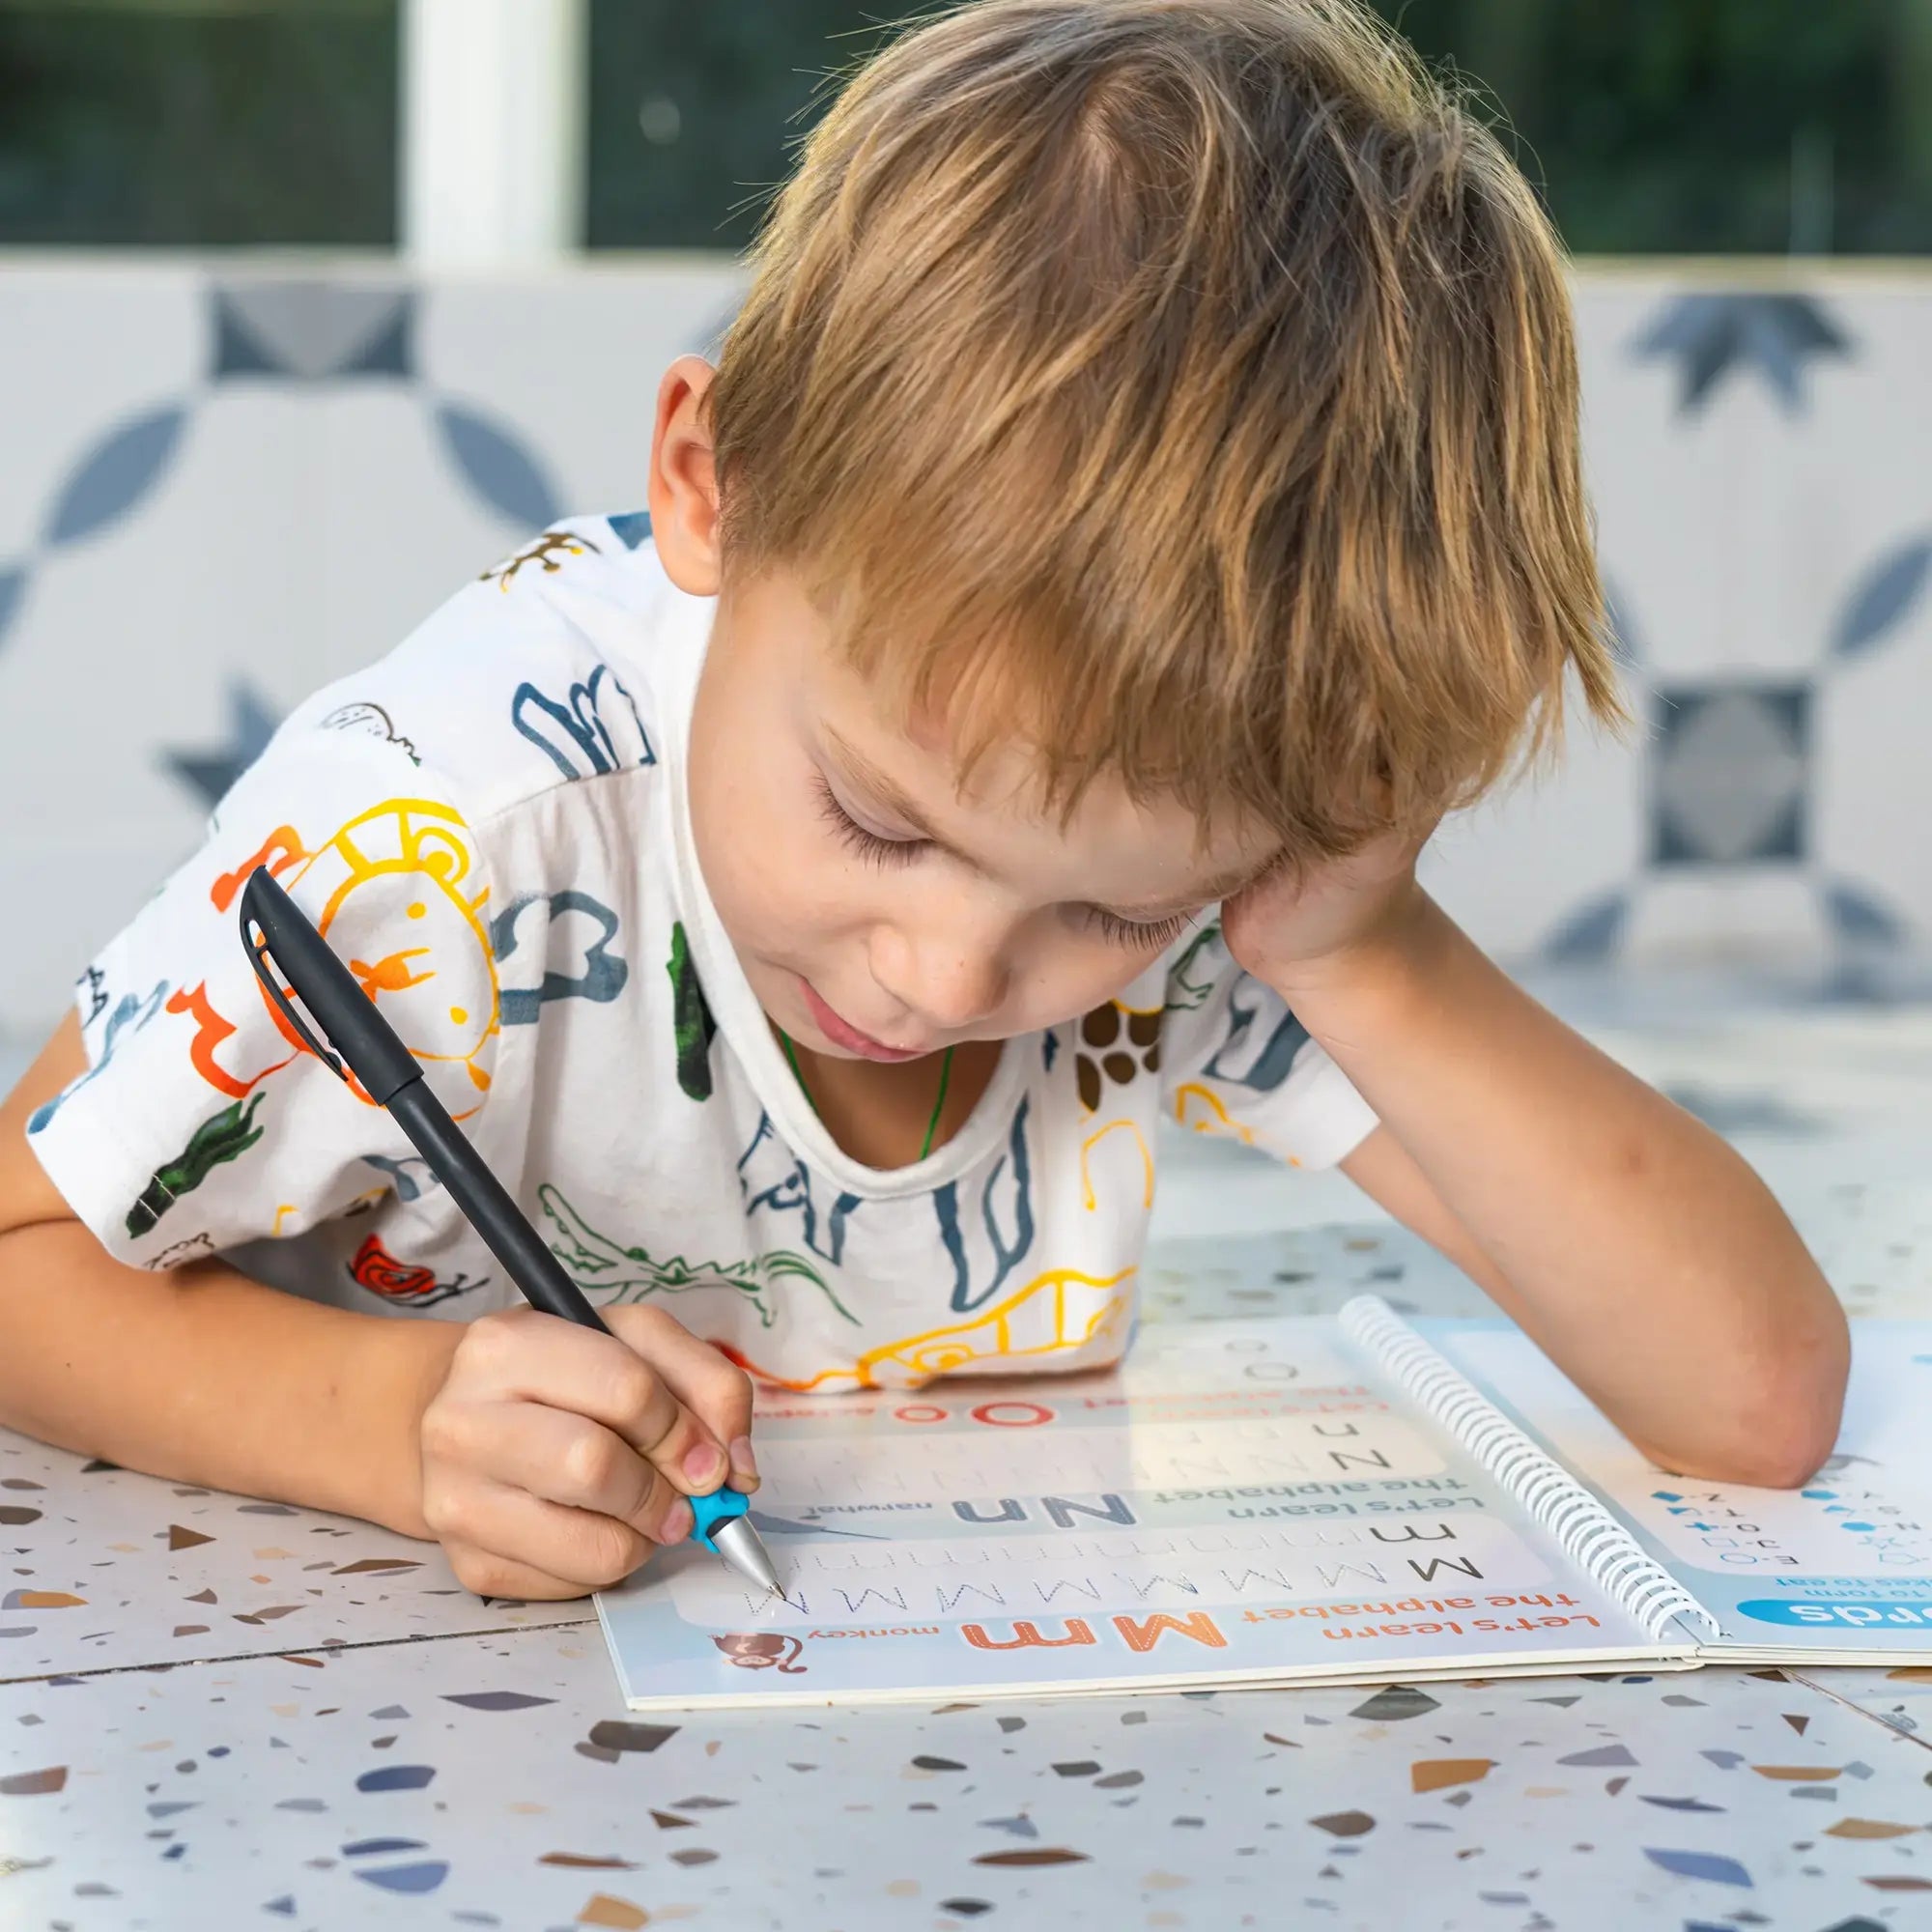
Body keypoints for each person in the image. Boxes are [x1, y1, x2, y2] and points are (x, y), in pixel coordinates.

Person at [0, 0, 1847, 1604]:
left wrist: (1362, 951)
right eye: (879, 824)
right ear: (709, 483)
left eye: (1112, 917)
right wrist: (396, 1429)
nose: (952, 975)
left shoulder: (1227, 866)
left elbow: (1749, 1401)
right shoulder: (443, 837)